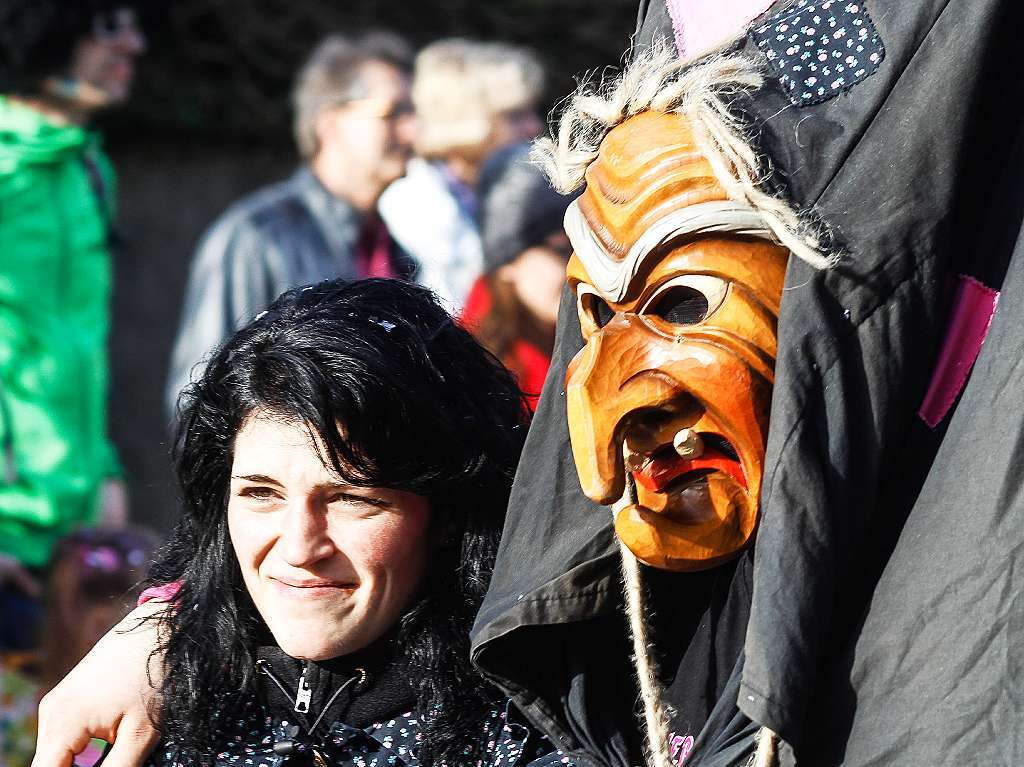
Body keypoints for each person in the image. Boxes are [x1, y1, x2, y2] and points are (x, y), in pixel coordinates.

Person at [37, 279, 566, 767]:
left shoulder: (539, 724)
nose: (298, 547)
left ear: (449, 513)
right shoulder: (155, 704)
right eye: (261, 494)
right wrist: (165, 632)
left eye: (351, 499)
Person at [166, 34, 418, 415]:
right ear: (330, 123)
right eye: (393, 113)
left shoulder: (394, 250)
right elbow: (199, 402)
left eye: (413, 114)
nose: (413, 131)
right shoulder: (256, 236)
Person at [0, 0, 144, 648]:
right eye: (110, 25)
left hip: (73, 542)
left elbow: (84, 345)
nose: (133, 46)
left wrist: (105, 473)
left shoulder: (91, 167)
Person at [378, 39, 544, 312]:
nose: (534, 126)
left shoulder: (495, 195)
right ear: (466, 120)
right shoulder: (410, 207)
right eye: (514, 115)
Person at [1, 527, 156, 767]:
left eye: (129, 598)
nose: (100, 622)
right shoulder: (9, 690)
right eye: (82, 600)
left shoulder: (151, 703)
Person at [460, 142, 573, 409]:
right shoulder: (472, 370)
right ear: (508, 261)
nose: (578, 268)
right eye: (562, 250)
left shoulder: (590, 339)